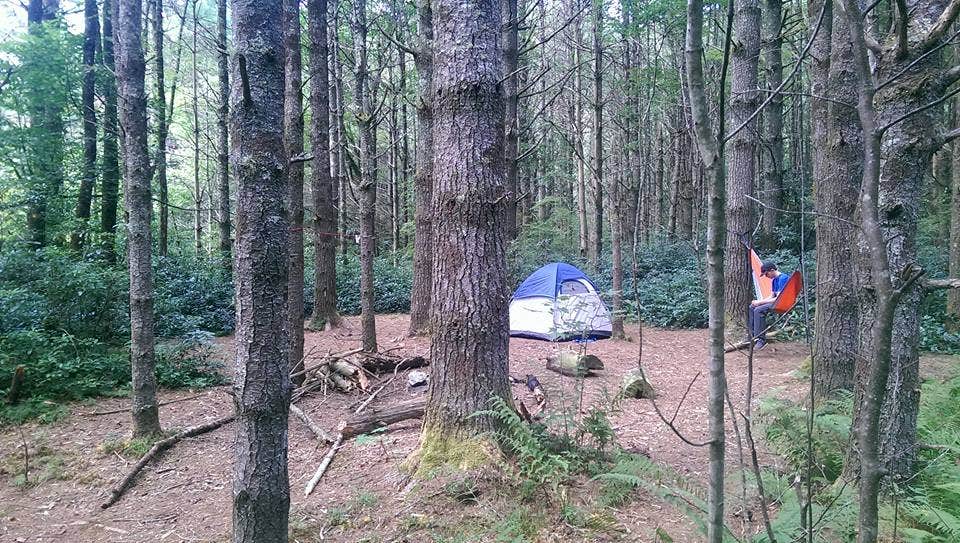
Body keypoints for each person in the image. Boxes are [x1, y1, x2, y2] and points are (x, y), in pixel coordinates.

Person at [749, 261, 789, 350]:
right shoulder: (774, 280)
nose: (766, 276)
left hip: (783, 303)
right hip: (777, 301)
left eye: (766, 274)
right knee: (752, 307)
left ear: (771, 270)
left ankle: (761, 340)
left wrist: (759, 303)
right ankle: (751, 336)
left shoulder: (783, 278)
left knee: (759, 310)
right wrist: (759, 301)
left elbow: (777, 298)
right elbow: (771, 296)